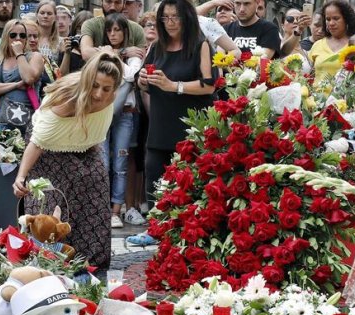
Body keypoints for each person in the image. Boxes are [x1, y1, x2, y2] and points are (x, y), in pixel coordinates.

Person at [12, 51, 124, 270]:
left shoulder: (111, 95)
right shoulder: (67, 100)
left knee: (96, 184)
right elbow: (37, 142)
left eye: (107, 88)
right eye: (95, 86)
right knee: (56, 198)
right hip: (47, 146)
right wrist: (21, 177)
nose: (100, 94)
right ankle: (51, 260)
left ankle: (91, 262)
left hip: (84, 143)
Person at [132, 0, 216, 245]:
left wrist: (173, 86)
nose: (170, 23)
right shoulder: (157, 46)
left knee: (189, 179)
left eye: (175, 17)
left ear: (187, 18)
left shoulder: (200, 45)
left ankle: (189, 230)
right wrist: (144, 80)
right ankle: (155, 228)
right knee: (154, 174)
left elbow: (208, 85)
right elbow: (140, 80)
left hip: (188, 125)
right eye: (165, 18)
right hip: (160, 123)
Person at [100, 13, 143, 228]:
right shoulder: (102, 53)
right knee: (103, 163)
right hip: (102, 113)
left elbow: (129, 75)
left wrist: (117, 55)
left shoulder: (132, 55)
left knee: (120, 163)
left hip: (125, 114)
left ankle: (116, 211)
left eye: (117, 30)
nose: (113, 34)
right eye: (109, 30)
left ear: (125, 32)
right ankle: (102, 208)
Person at [0, 20, 44, 134]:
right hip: (1, 125)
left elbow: (29, 78)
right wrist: (16, 85)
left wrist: (19, 54)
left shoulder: (34, 57)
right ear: (6, 37)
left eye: (22, 35)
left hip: (28, 126)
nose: (18, 38)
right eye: (13, 35)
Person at [308, 0, 355, 85]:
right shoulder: (317, 45)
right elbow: (309, 76)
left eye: (336, 18)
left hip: (345, 97)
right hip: (315, 97)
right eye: (328, 19)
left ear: (346, 19)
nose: (331, 23)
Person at [80, 0, 146, 61]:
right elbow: (86, 53)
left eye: (117, 2)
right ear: (101, 2)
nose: (112, 7)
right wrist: (122, 52)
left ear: (124, 3)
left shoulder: (136, 29)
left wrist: (102, 52)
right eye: (108, 2)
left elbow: (141, 58)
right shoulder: (91, 25)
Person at [22, 19, 58, 97]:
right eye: (28, 36)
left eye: (35, 36)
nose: (32, 40)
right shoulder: (14, 60)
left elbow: (59, 83)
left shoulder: (48, 61)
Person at [59, 10, 92, 75]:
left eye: (86, 29)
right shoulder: (68, 45)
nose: (81, 32)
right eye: (79, 28)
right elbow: (62, 76)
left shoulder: (95, 49)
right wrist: (67, 53)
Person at [281, 8, 312, 74]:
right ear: (282, 26)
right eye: (290, 19)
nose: (295, 21)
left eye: (298, 19)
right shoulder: (275, 47)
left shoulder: (306, 53)